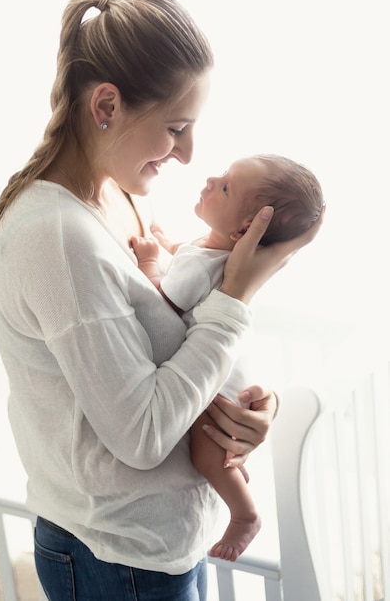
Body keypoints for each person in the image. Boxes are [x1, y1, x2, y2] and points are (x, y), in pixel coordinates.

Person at [0, 0, 323, 601]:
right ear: (106, 104)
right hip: (118, 558)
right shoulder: (58, 238)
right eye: (176, 128)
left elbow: (178, 348)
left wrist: (239, 416)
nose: (188, 153)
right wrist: (235, 302)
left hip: (161, 545)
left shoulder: (124, 192)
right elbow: (141, 436)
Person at [131, 153, 324, 562]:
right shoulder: (215, 252)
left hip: (218, 381)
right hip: (232, 366)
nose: (210, 178)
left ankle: (245, 513)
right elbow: (192, 254)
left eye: (224, 187)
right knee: (219, 451)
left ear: (242, 230)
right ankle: (231, 474)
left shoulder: (202, 265)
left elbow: (160, 302)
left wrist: (150, 261)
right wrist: (168, 246)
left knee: (207, 449)